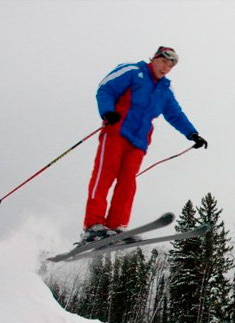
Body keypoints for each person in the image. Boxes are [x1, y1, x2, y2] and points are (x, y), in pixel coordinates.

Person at [82, 46, 208, 243]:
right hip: (117, 131)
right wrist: (107, 111)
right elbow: (105, 89)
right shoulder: (132, 71)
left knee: (128, 182)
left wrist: (193, 134)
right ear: (155, 59)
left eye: (170, 66)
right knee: (105, 175)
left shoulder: (165, 90)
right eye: (164, 62)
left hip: (139, 141)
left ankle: (116, 227)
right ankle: (93, 225)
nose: (166, 68)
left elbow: (175, 114)